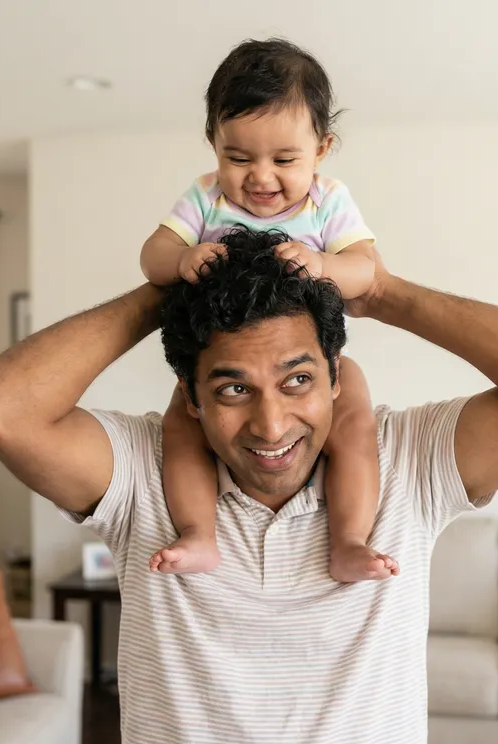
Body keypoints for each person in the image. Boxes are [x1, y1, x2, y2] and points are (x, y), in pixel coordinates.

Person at [0, 227, 498, 744]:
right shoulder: (142, 471)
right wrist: (169, 292)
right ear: (190, 397)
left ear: (337, 377)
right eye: (232, 388)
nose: (271, 423)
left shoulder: (408, 462)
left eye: (298, 379)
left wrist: (385, 292)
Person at [140, 38, 390, 582]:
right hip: (219, 358)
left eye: (284, 160)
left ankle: (348, 540)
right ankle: (199, 534)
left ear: (321, 149)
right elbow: (152, 257)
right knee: (183, 429)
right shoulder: (206, 198)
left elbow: (366, 272)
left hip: (318, 361)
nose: (260, 177)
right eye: (238, 157)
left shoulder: (329, 201)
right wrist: (183, 257)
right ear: (214, 144)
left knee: (355, 428)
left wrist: (322, 264)